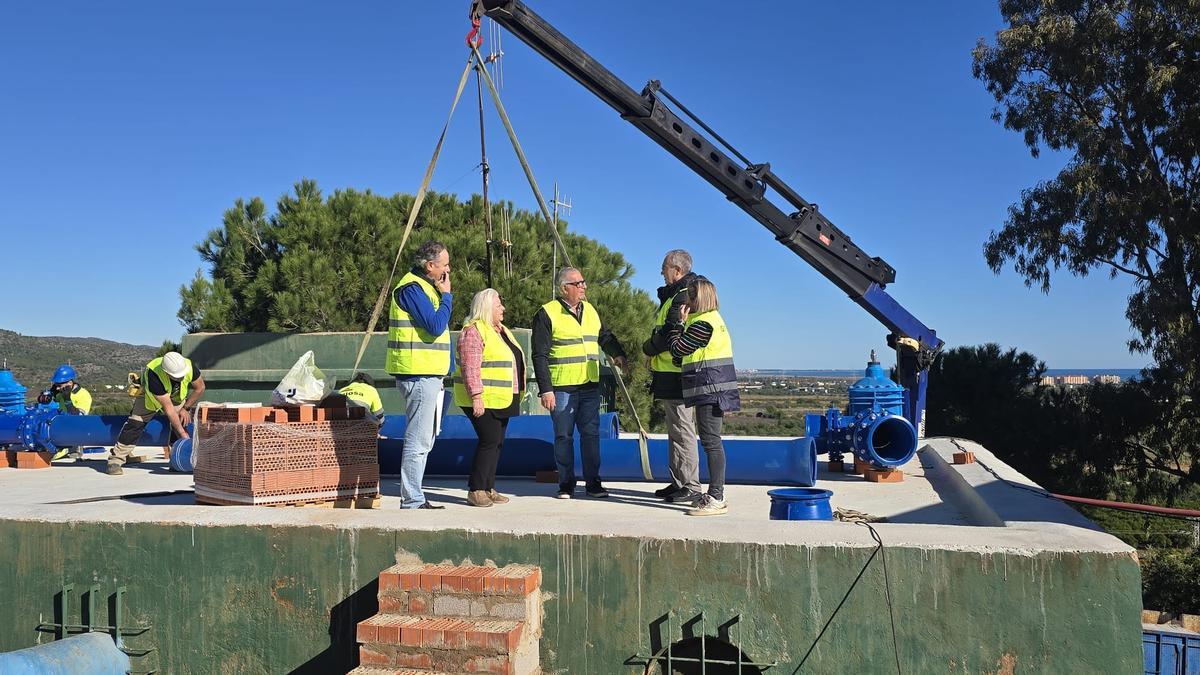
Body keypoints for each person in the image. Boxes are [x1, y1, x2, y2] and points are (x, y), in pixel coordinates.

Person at [532, 266, 627, 499]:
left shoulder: (591, 310)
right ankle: (566, 484)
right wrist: (546, 390)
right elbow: (539, 355)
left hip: (589, 386)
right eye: (578, 283)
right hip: (562, 388)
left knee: (591, 435)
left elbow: (604, 336)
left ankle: (593, 483)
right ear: (565, 288)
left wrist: (618, 354)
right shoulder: (547, 313)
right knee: (563, 436)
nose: (584, 286)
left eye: (584, 282)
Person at [386, 240, 453, 509]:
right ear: (430, 266)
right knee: (418, 439)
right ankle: (412, 499)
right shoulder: (412, 289)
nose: (448, 270)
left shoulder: (426, 287)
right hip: (418, 374)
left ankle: (414, 496)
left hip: (429, 375)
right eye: (445, 265)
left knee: (425, 437)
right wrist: (447, 295)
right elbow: (435, 326)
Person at [667, 276, 740, 516]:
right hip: (713, 389)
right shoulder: (712, 320)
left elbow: (677, 350)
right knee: (712, 442)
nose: (685, 300)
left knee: (711, 442)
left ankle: (716, 496)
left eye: (689, 295)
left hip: (710, 390)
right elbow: (683, 356)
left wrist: (678, 324)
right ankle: (715, 494)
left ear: (697, 298)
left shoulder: (702, 324)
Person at [452, 289, 526, 507]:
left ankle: (488, 486)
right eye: (498, 305)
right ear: (486, 308)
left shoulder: (500, 330)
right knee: (489, 440)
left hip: (502, 397)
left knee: (498, 442)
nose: (503, 308)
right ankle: (476, 489)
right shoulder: (474, 331)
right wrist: (476, 396)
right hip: (483, 398)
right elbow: (470, 367)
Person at [641, 250, 702, 503]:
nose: (661, 272)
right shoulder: (675, 294)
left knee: (683, 429)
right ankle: (678, 481)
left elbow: (669, 333)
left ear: (677, 271)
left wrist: (648, 348)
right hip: (668, 374)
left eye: (664, 268)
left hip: (679, 374)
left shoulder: (684, 294)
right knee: (675, 430)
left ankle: (690, 485)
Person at [108, 351, 206, 476]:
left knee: (182, 421)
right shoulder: (154, 374)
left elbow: (200, 388)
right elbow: (169, 409)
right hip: (150, 399)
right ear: (166, 372)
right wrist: (183, 434)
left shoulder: (188, 366)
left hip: (175, 397)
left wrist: (185, 408)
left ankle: (177, 460)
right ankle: (115, 460)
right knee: (135, 424)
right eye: (177, 376)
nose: (181, 377)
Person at [37, 364, 94, 460]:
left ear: (70, 383)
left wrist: (68, 400)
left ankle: (73, 449)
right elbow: (51, 404)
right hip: (59, 426)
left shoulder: (84, 395)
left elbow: (79, 417)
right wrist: (46, 397)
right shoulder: (60, 393)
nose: (58, 388)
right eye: (56, 385)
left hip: (74, 429)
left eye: (59, 385)